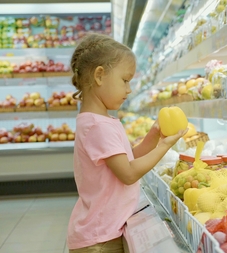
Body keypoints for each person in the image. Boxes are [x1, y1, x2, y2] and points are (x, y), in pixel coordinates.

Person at [66, 33, 187, 252]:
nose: (129, 89)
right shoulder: (98, 126)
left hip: (103, 230)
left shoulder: (100, 121)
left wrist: (152, 139)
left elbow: (126, 160)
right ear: (100, 76)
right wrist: (164, 146)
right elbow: (128, 173)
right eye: (125, 80)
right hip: (100, 240)